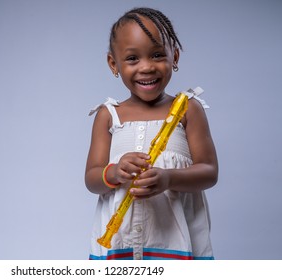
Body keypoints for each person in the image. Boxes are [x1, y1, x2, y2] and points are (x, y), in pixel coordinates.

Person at [85, 7, 218, 260]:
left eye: (157, 55)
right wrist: (113, 172)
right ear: (114, 64)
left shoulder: (189, 109)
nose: (146, 67)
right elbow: (92, 179)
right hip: (118, 243)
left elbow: (209, 172)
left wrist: (168, 178)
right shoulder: (108, 115)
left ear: (174, 57)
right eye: (133, 58)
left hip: (177, 243)